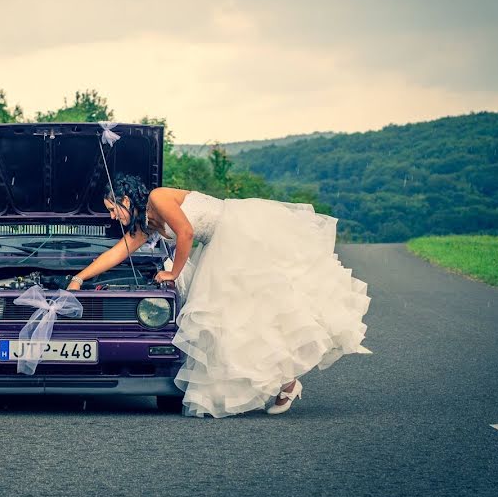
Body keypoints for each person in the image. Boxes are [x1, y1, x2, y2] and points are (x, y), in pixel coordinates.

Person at [67, 174, 371, 418]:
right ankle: (280, 381)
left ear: (125, 200)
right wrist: (79, 278)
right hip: (218, 247)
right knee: (233, 320)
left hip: (238, 234)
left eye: (111, 209)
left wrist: (173, 274)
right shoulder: (145, 225)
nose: (110, 216)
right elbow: (117, 252)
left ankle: (286, 380)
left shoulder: (158, 198)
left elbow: (185, 232)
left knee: (255, 309)